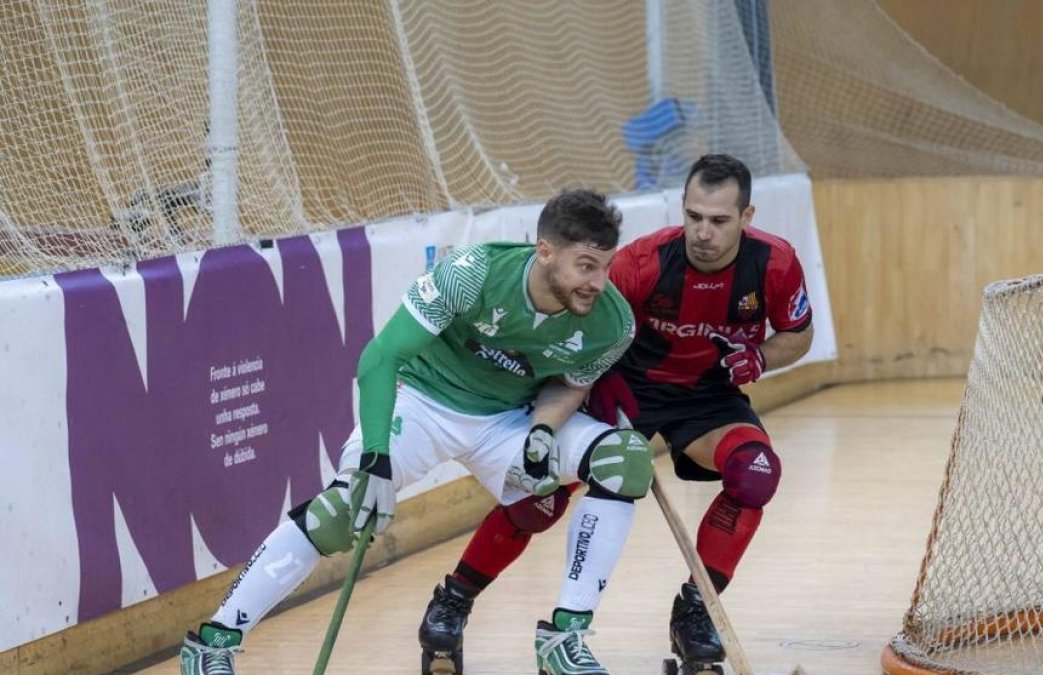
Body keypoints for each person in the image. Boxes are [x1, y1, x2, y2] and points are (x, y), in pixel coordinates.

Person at [179, 188, 655, 675]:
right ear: (545, 251)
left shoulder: (612, 323)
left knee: (624, 460)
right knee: (340, 512)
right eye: (585, 266)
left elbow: (567, 385)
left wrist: (541, 430)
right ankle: (214, 641)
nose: (598, 282)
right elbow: (381, 357)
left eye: (604, 266)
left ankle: (563, 637)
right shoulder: (473, 274)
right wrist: (376, 456)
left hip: (508, 421)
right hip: (424, 402)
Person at [434, 153, 814, 672]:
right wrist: (594, 384)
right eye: (694, 216)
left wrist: (762, 356)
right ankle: (453, 602)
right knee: (537, 505)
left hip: (710, 397)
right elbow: (584, 330)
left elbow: (799, 334)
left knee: (756, 474)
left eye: (720, 221)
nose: (703, 232)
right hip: (626, 387)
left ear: (747, 218)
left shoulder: (775, 262)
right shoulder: (644, 263)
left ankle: (695, 612)